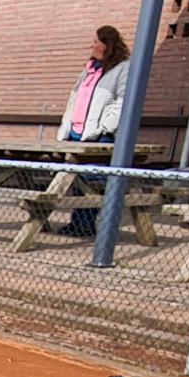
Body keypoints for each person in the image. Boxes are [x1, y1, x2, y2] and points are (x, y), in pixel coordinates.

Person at [58, 25, 131, 237]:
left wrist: (105, 127)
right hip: (77, 132)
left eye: (96, 41)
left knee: (92, 180)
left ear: (107, 45)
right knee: (77, 179)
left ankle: (85, 224)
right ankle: (77, 222)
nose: (92, 45)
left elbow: (122, 101)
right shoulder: (90, 68)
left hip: (98, 135)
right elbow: (76, 97)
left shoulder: (122, 68)